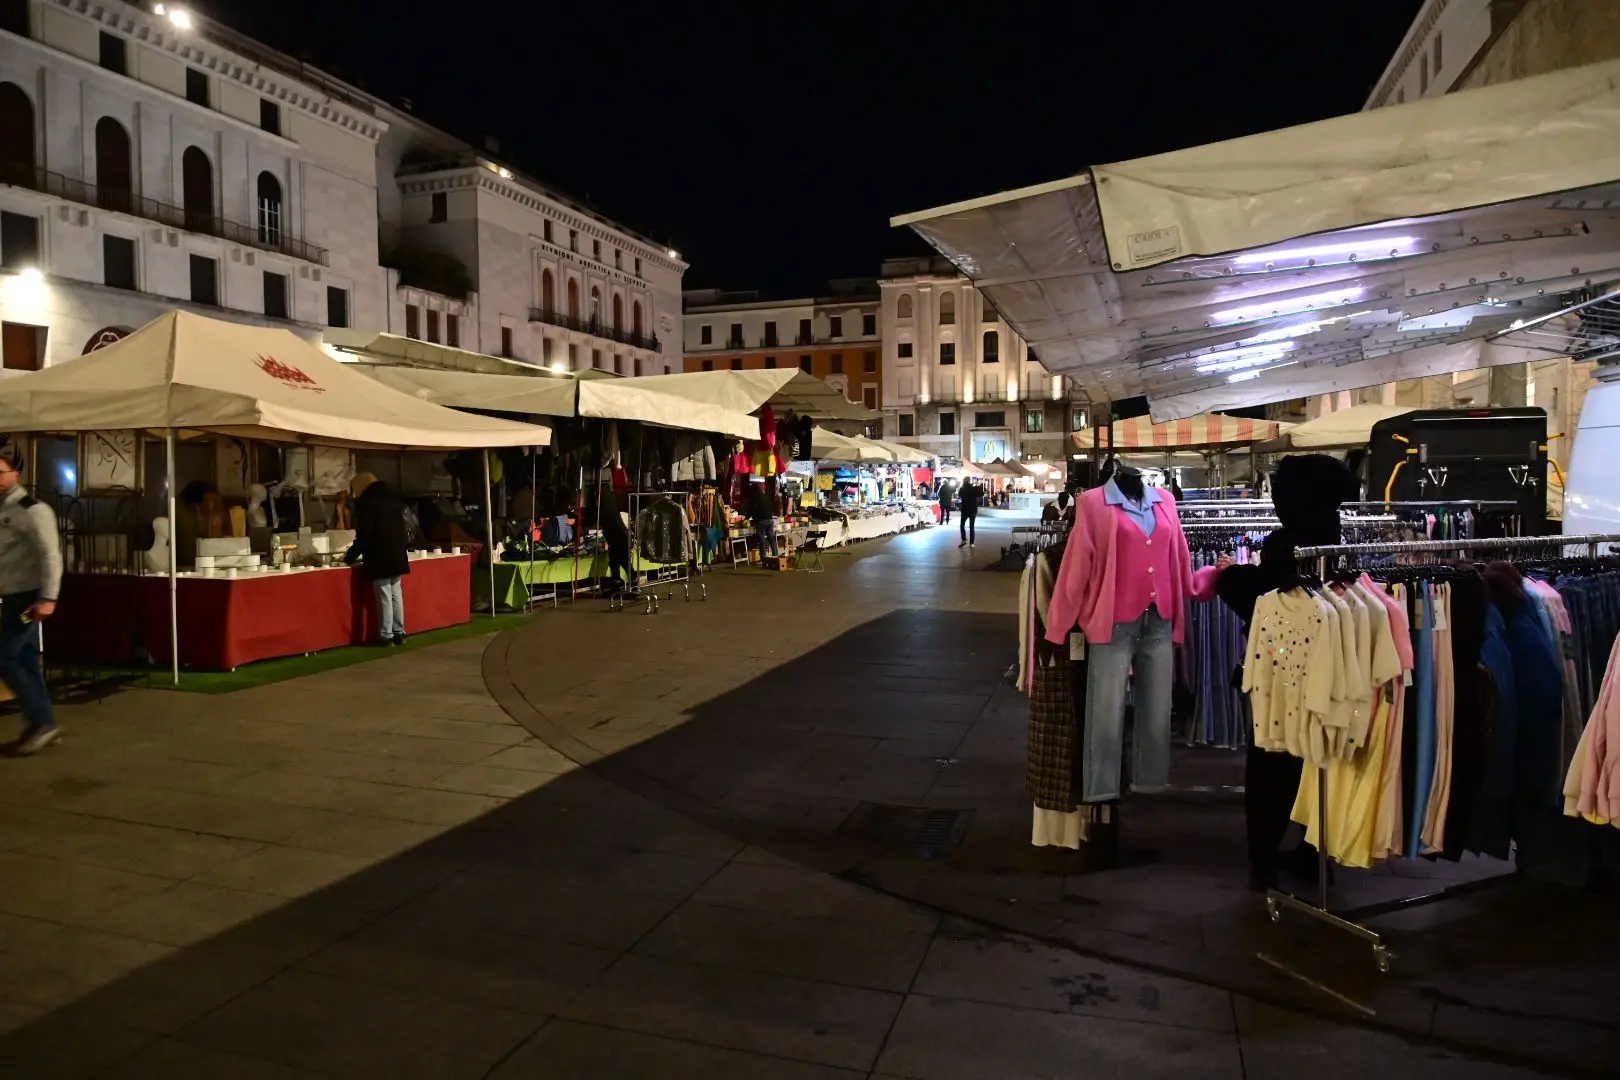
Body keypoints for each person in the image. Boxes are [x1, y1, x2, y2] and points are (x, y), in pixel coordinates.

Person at [1209, 454, 1356, 891]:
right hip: (1329, 665)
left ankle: (1265, 860)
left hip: (1282, 668)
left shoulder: (1285, 542)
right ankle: (1313, 852)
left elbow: (1266, 602)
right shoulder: (1334, 536)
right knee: (1318, 760)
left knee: (1271, 763)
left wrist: (1229, 577)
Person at [0, 443, 63, 755]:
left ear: (16, 473)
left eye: (0, 472)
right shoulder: (4, 507)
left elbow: (50, 555)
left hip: (29, 601)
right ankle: (44, 723)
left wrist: (48, 597)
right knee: (25, 659)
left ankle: (40, 722)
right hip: (12, 597)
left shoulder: (33, 510)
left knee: (5, 656)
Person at [345, 472, 411, 646]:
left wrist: (350, 557)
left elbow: (364, 534)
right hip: (397, 551)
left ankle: (385, 635)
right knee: (396, 593)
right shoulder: (393, 498)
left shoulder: (368, 503)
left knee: (384, 595)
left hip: (379, 554)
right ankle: (399, 632)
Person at [746, 480, 778, 559]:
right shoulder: (765, 496)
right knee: (771, 539)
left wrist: (746, 517)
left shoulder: (755, 498)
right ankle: (776, 555)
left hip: (761, 521)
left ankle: (764, 558)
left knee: (762, 540)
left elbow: (752, 510)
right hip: (770, 520)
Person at [958, 479, 981, 547]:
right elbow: (980, 494)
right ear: (969, 481)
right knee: (972, 527)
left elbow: (959, 495)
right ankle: (972, 543)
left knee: (962, 525)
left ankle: (964, 539)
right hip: (973, 510)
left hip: (965, 509)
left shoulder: (962, 489)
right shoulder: (973, 489)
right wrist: (977, 486)